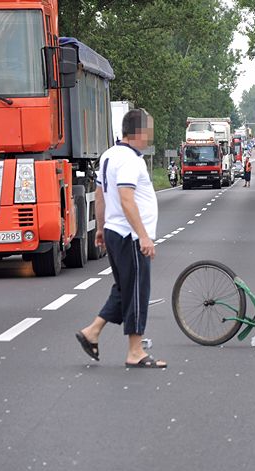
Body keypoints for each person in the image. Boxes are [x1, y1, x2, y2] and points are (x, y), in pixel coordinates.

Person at [75, 109, 167, 369]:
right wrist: (143, 236)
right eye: (148, 132)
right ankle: (135, 351)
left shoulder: (109, 155)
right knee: (137, 289)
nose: (150, 138)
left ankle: (92, 331)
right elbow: (126, 197)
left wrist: (102, 228)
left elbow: (101, 193)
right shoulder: (129, 159)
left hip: (116, 231)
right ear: (138, 132)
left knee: (124, 288)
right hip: (130, 235)